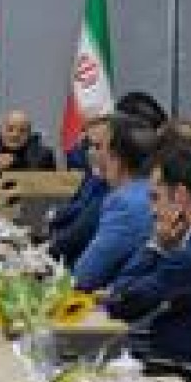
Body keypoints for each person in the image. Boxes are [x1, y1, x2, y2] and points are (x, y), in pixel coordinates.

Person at [101, 145, 191, 370]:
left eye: (155, 198)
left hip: (174, 366)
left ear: (180, 195)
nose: (152, 210)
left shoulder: (190, 259)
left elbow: (119, 303)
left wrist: (155, 245)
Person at [73, 113, 158, 291]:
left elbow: (85, 276)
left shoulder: (123, 204)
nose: (93, 154)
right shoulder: (156, 193)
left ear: (116, 157)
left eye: (99, 147)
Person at [48, 115, 111, 266]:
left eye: (97, 146)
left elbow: (81, 229)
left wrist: (49, 247)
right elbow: (77, 205)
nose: (90, 152)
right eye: (88, 145)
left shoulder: (111, 188)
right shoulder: (94, 177)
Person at [0, 109, 56, 176]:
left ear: (29, 134)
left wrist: (14, 163)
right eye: (10, 129)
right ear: (1, 130)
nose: (15, 135)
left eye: (22, 131)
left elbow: (47, 181)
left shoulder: (44, 154)